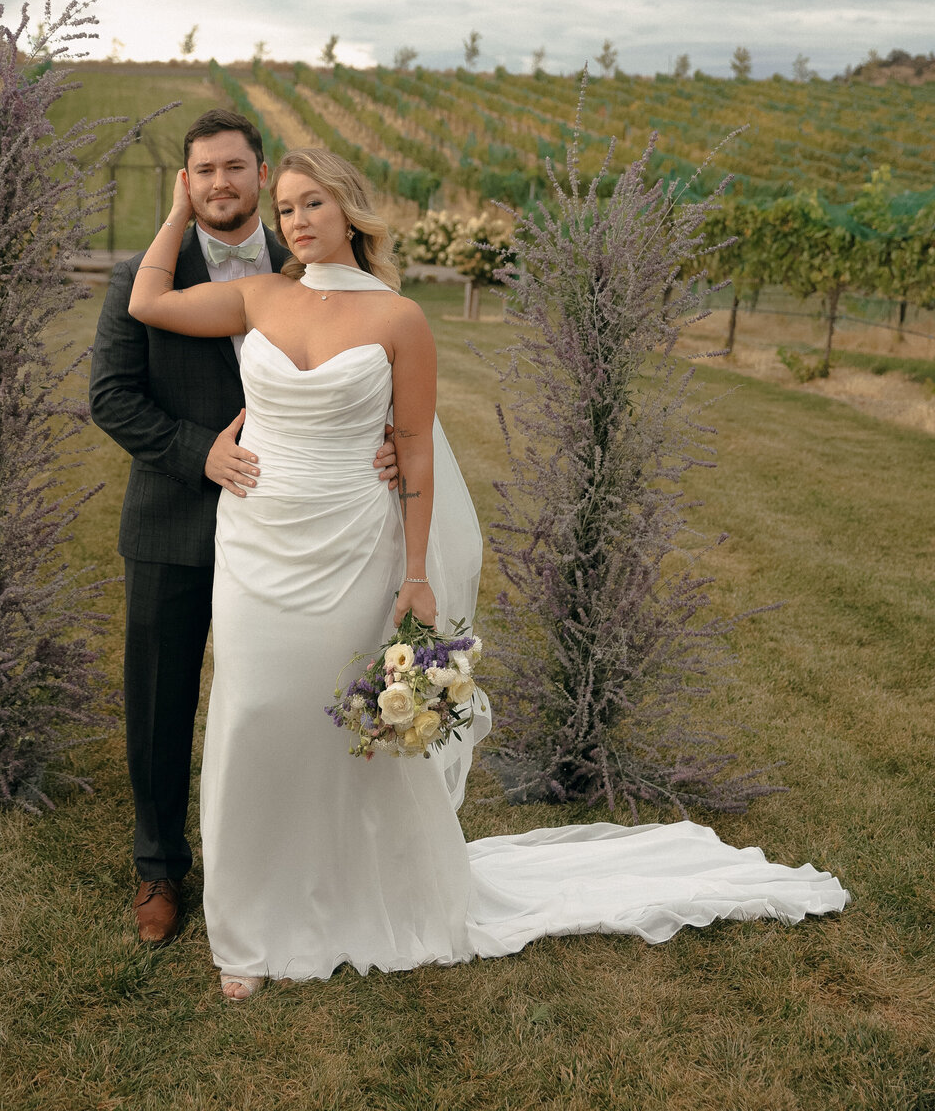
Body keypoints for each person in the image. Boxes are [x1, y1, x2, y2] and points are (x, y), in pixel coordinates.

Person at [128, 145, 849, 1001]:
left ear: (349, 210)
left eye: (312, 202)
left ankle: (359, 891)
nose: (297, 221)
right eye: (284, 209)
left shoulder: (400, 320)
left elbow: (415, 457)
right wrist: (178, 206)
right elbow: (148, 300)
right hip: (259, 543)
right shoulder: (259, 295)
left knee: (345, 736)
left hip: (355, 540)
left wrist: (417, 572)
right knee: (251, 717)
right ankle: (246, 929)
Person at [89, 111, 397, 946]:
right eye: (202, 171)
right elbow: (111, 398)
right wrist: (202, 455)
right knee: (160, 704)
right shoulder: (138, 278)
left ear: (262, 176)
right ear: (184, 185)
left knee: (281, 703)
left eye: (234, 167)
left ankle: (285, 864)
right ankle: (159, 869)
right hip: (173, 523)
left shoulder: (310, 272)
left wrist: (389, 448)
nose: (220, 182)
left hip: (296, 536)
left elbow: (373, 377)